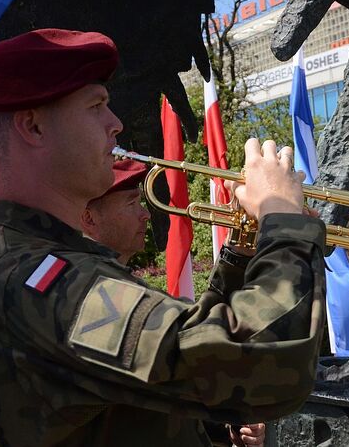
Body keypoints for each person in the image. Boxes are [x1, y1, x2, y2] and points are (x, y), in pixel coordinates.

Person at [0, 28, 327, 447]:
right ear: (32, 127)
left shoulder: (43, 257)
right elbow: (261, 365)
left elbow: (183, 358)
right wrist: (284, 220)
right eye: (96, 106)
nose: (116, 123)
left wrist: (246, 250)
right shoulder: (39, 278)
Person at [80, 157, 266, 446]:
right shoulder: (96, 294)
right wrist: (288, 234)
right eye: (132, 204)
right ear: (89, 217)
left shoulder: (120, 286)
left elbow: (161, 403)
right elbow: (198, 347)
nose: (145, 215)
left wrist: (226, 431)